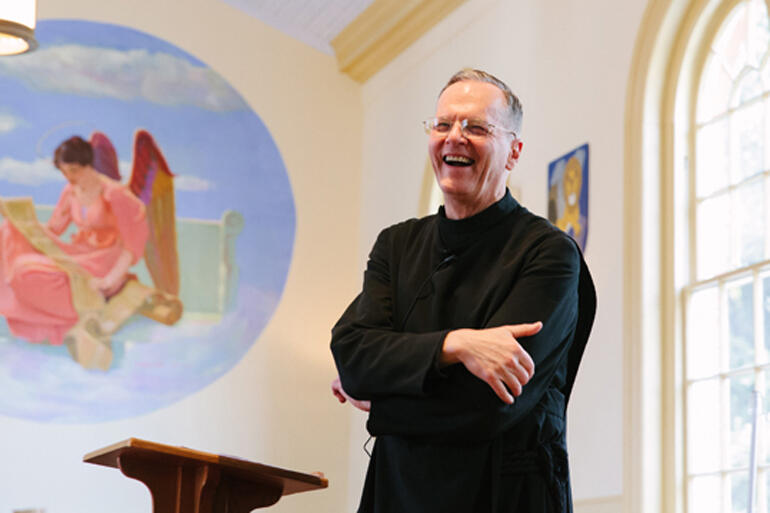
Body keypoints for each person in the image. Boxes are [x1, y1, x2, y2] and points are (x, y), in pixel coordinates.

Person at [330, 69, 596, 512]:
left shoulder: (549, 253)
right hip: (396, 491)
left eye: (476, 127)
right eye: (443, 124)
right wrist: (456, 346)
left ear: (514, 152)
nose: (455, 137)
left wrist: (382, 401)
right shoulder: (396, 245)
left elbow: (489, 407)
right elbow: (353, 353)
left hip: (502, 494)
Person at [0, 135, 149, 345]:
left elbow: (132, 247)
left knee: (25, 271)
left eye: (74, 170)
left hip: (105, 260)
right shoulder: (70, 191)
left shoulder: (114, 194)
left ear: (88, 165)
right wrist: (22, 222)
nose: (69, 177)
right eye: (64, 171)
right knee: (7, 230)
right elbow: (54, 229)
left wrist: (109, 280)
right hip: (79, 253)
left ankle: (65, 311)